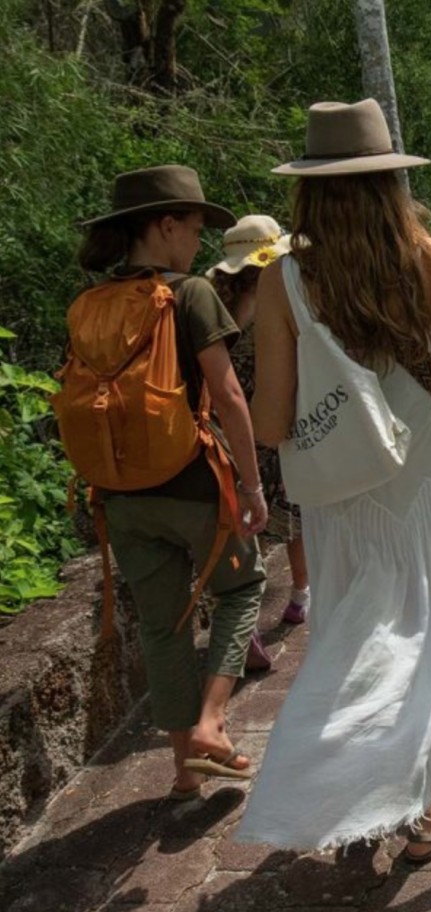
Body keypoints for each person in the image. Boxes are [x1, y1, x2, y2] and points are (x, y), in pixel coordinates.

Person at [234, 99, 431, 859]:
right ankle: (403, 803)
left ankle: (372, 797)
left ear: (308, 189)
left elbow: (270, 423)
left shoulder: (283, 282)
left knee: (359, 645)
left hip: (343, 496)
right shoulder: (429, 259)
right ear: (389, 182)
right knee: (427, 638)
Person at [68, 165, 268, 799]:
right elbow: (228, 396)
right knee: (244, 587)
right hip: (192, 484)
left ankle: (185, 774)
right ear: (165, 225)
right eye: (195, 227)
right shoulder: (190, 294)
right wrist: (253, 486)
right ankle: (212, 724)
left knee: (164, 627)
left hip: (119, 495)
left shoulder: (88, 305)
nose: (199, 241)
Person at [205, 215, 309, 673]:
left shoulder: (214, 308)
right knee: (293, 515)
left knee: (244, 528)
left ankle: (245, 622)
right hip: (273, 424)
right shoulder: (278, 301)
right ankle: (301, 595)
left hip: (226, 433)